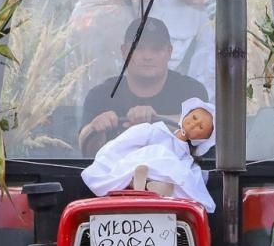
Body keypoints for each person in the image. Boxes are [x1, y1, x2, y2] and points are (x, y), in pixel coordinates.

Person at [78, 17, 209, 156]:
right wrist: (95, 128)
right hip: (117, 175)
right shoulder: (101, 95)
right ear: (124, 52)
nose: (147, 56)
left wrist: (156, 119)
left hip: (176, 176)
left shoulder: (191, 91)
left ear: (169, 52)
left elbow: (202, 137)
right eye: (138, 48)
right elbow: (85, 151)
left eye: (156, 49)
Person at [82, 98, 216, 211]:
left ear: (203, 139)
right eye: (194, 117)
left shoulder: (185, 156)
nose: (194, 124)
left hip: (164, 176)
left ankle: (156, 187)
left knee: (181, 175)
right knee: (153, 155)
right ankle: (136, 182)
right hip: (143, 163)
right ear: (186, 114)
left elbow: (185, 174)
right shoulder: (156, 130)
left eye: (201, 127)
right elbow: (130, 140)